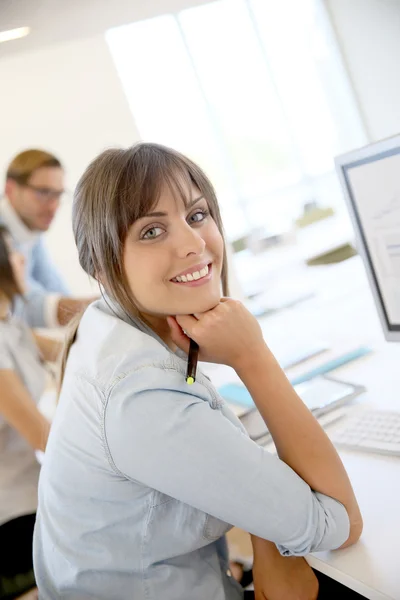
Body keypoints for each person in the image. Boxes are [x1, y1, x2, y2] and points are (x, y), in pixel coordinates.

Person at [33, 143, 363, 600]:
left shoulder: (106, 326)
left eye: (196, 215)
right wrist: (252, 358)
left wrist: (268, 538)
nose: (193, 244)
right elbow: (338, 521)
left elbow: (231, 466)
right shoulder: (140, 397)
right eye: (151, 231)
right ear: (102, 267)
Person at [0, 225, 61, 599]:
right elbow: (43, 436)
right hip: (14, 518)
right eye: (12, 252)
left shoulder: (12, 326)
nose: (23, 259)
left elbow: (73, 351)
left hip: (34, 497)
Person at [1, 149, 95, 328]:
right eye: (43, 192)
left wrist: (85, 310)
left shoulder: (29, 228)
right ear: (10, 189)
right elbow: (15, 305)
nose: (54, 206)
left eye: (58, 194)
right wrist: (90, 309)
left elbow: (50, 281)